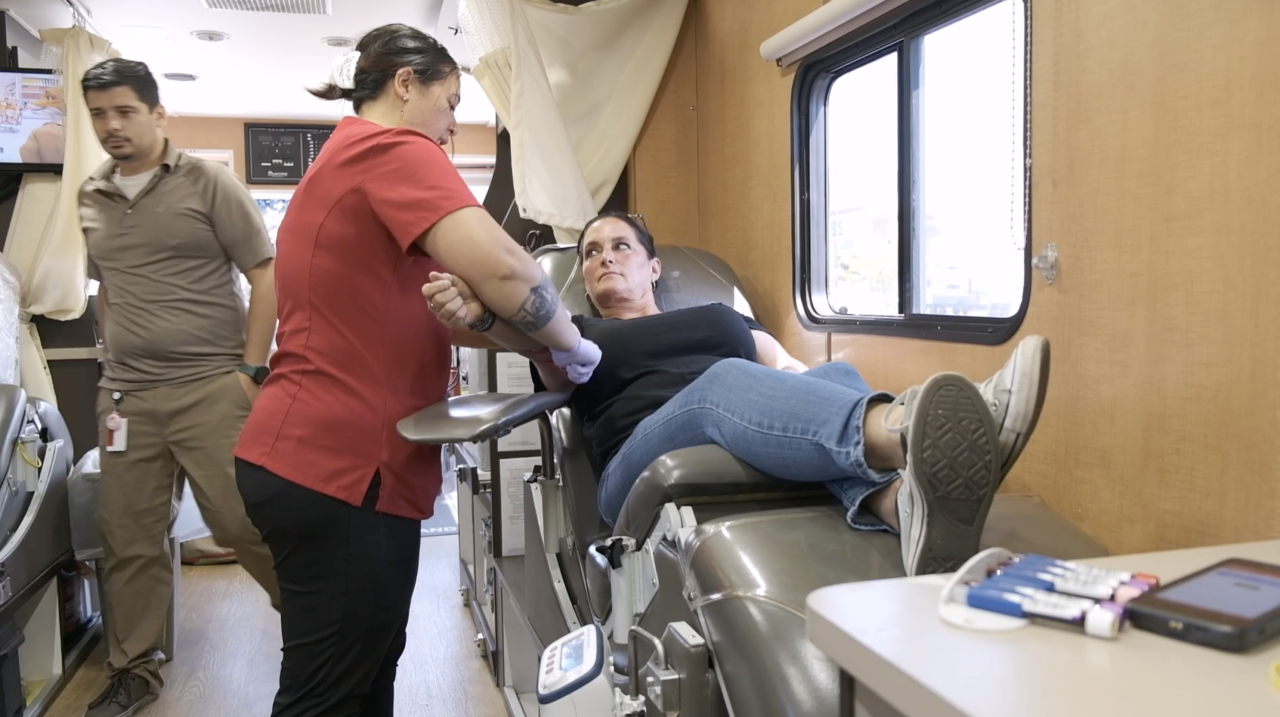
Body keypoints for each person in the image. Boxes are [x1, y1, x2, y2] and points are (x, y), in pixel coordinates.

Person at [231, 24, 601, 717]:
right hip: (340, 466)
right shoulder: (391, 148)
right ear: (406, 83)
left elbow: (460, 307)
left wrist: (517, 337)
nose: (454, 125)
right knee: (329, 693)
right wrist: (575, 344)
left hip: (310, 456)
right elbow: (508, 268)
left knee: (366, 673)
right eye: (452, 101)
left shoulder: (343, 160)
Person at [422, 212, 1052, 576]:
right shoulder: (574, 332)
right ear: (581, 277)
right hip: (638, 463)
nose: (604, 258)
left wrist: (831, 395)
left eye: (620, 246)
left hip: (740, 411)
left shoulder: (724, 318)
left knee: (832, 378)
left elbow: (788, 369)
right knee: (722, 384)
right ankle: (917, 433)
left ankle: (897, 505)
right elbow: (550, 365)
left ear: (653, 266)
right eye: (589, 253)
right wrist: (481, 315)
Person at [77, 58, 281, 717]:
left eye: (124, 111)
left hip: (209, 387)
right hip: (127, 398)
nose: (111, 125)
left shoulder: (208, 181)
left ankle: (315, 628)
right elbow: (108, 285)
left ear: (156, 112)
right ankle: (134, 667)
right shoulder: (91, 196)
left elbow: (264, 272)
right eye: (99, 114)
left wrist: (250, 370)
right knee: (127, 536)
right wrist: (112, 356)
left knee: (240, 520)